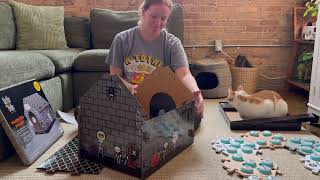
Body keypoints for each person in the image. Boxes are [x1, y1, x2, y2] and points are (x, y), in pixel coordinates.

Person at [106, 0, 204, 118]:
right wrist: (131, 87)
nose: (158, 23)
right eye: (153, 16)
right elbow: (115, 77)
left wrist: (195, 91)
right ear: (143, 12)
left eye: (163, 19)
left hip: (159, 101)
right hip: (130, 98)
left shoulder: (172, 43)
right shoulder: (121, 40)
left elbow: (184, 74)